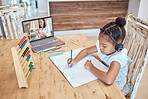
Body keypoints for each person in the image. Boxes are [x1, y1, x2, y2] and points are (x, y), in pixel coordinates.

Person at [67, 17, 129, 90]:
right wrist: (75, 60)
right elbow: (86, 51)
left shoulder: (117, 58)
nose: (100, 47)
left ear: (117, 45)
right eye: (99, 43)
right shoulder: (103, 47)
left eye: (104, 46)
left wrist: (91, 67)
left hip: (116, 87)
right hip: (104, 74)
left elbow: (109, 80)